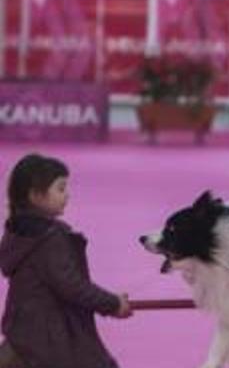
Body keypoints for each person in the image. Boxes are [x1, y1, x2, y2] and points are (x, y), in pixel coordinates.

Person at [0, 154, 132, 368]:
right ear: (36, 196)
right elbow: (72, 286)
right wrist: (113, 303)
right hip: (52, 337)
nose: (67, 195)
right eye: (60, 189)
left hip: (24, 333)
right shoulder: (49, 238)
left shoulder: (17, 233)